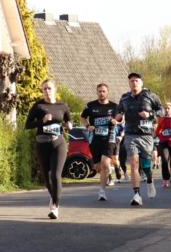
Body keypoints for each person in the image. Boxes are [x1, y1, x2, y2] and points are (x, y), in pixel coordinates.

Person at [25, 79, 72, 218]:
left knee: (55, 175)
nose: (47, 91)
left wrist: (69, 125)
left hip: (58, 143)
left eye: (49, 88)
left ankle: (55, 206)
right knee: (46, 176)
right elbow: (27, 125)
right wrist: (42, 121)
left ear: (55, 90)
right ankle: (53, 197)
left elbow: (69, 121)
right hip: (42, 144)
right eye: (44, 89)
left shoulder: (62, 105)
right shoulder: (38, 106)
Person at [115, 72, 163, 206]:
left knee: (147, 166)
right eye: (131, 81)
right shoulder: (124, 98)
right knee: (134, 164)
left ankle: (149, 180)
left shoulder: (150, 96)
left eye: (136, 80)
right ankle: (137, 195)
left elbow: (162, 110)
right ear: (129, 83)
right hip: (130, 134)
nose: (134, 83)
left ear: (141, 83)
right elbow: (119, 112)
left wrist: (150, 114)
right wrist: (117, 117)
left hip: (146, 135)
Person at [81, 83, 119, 201]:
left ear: (107, 92)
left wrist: (116, 121)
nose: (101, 93)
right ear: (97, 92)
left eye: (103, 91)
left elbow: (121, 118)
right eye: (99, 91)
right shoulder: (90, 105)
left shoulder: (114, 106)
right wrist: (88, 126)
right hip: (95, 139)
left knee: (105, 163)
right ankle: (107, 172)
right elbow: (82, 117)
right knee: (97, 167)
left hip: (109, 138)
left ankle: (102, 191)